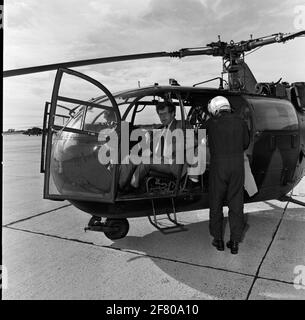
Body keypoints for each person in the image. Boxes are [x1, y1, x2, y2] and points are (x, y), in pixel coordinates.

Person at [119, 100, 199, 190]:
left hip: (173, 163)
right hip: (159, 158)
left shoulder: (181, 124)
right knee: (131, 158)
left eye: (165, 114)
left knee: (145, 162)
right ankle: (119, 185)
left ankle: (127, 187)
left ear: (173, 113)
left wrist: (174, 147)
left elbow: (194, 141)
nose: (162, 117)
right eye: (160, 114)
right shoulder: (161, 129)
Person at [205, 96, 250, 254]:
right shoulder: (241, 121)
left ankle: (218, 240)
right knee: (236, 203)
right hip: (237, 166)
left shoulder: (211, 123)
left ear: (215, 108)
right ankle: (235, 242)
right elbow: (245, 143)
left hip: (219, 166)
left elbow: (206, 142)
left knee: (216, 202)